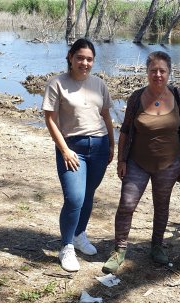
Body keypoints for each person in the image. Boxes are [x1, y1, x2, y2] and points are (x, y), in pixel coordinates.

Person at [102, 51, 180, 274]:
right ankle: (119, 251)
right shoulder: (136, 97)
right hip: (137, 162)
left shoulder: (177, 95)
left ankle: (157, 246)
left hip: (169, 163)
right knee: (126, 205)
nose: (158, 75)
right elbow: (125, 130)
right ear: (147, 72)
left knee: (161, 207)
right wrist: (122, 159)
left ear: (169, 73)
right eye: (153, 70)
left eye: (162, 71)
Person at [42, 38, 115, 272]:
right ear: (70, 58)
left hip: (100, 146)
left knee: (88, 194)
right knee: (74, 198)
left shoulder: (99, 84)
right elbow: (50, 120)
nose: (85, 62)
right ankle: (66, 246)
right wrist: (64, 149)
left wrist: (112, 145)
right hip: (72, 148)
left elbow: (106, 116)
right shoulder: (57, 84)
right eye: (80, 58)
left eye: (89, 59)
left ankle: (80, 234)